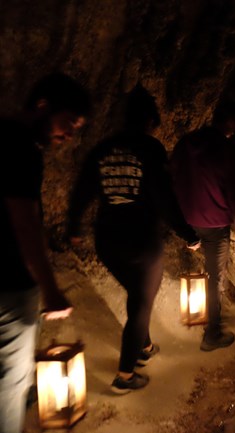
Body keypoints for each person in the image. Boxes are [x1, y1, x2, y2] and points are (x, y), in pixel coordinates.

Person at [67, 85, 199, 394]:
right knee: (140, 303)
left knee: (137, 296)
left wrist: (73, 226)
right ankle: (125, 376)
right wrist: (188, 234)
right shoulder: (150, 149)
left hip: (108, 241)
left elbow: (82, 189)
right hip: (141, 241)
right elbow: (164, 198)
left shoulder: (103, 149)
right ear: (150, 121)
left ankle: (145, 345)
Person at [1, 73, 89, 433]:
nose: (69, 135)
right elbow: (25, 223)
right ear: (43, 106)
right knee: (10, 384)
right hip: (9, 284)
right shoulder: (21, 148)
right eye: (68, 123)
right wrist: (50, 290)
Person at [171, 101, 235, 350]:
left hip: (187, 219)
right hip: (214, 221)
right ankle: (212, 334)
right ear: (230, 124)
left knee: (199, 271)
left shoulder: (186, 144)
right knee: (214, 278)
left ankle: (197, 317)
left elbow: (172, 175)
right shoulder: (225, 149)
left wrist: (179, 218)